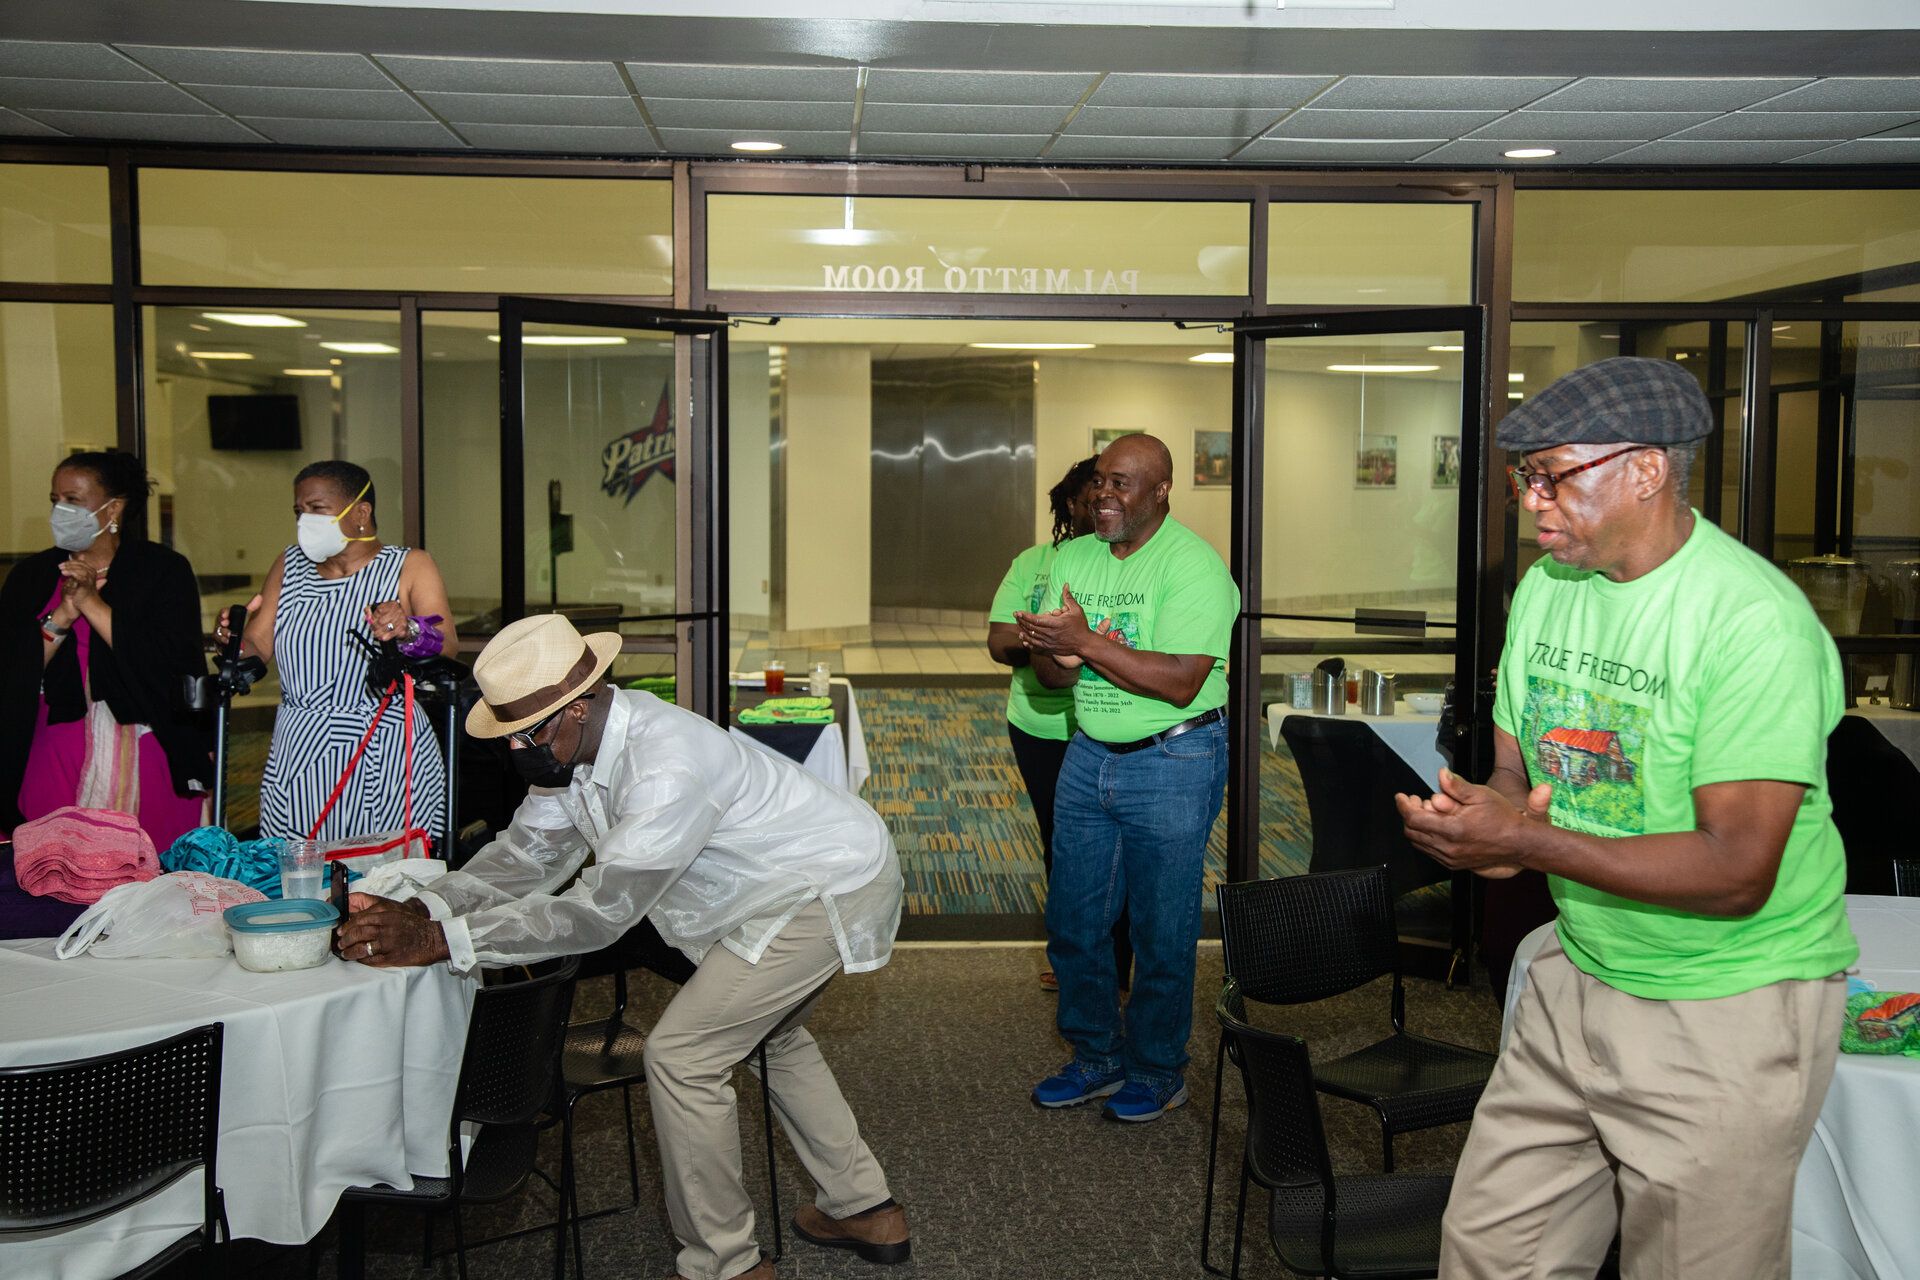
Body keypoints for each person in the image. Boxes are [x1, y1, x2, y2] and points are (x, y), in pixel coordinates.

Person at [1396, 357, 1857, 1280]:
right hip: (1581, 973)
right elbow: (1514, 778)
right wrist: (1481, 830)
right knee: (1491, 1253)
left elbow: (1736, 871)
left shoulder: (1751, 623)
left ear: (1646, 469)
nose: (1533, 502)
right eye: (1525, 479)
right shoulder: (1546, 591)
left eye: (1553, 475)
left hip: (1727, 1003)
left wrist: (1521, 839)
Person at [335, 613, 911, 1280]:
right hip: (777, 886)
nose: (521, 750)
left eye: (532, 731)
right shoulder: (572, 748)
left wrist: (444, 940)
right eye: (512, 734)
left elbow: (599, 913)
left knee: (683, 1056)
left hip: (830, 882)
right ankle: (864, 1206)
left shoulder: (665, 765)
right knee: (770, 1037)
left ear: (578, 704)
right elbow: (526, 856)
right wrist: (426, 905)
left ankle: (728, 1264)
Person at [1014, 432, 1238, 1123]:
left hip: (1174, 758)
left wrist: (1083, 641)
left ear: (1161, 490)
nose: (1104, 496)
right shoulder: (1073, 556)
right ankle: (1096, 1057)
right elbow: (1053, 676)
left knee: (1159, 929)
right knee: (1075, 921)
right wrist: (1051, 649)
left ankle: (1157, 1068)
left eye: (1123, 484)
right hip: (1089, 754)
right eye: (1100, 482)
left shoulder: (1193, 566)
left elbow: (1178, 682)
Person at [224, 460, 454, 841]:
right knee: (297, 870)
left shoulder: (409, 565)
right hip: (300, 744)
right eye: (299, 511)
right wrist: (233, 640)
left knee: (383, 876)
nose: (304, 521)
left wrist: (407, 629)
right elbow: (259, 641)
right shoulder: (289, 563)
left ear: (360, 512)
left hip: (383, 743)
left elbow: (446, 642)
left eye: (317, 509)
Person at [1, 450, 212, 851]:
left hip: (144, 740)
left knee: (146, 874)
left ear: (113, 507)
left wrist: (91, 603)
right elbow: (12, 670)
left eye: (73, 501)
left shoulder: (162, 570)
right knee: (52, 866)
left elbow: (169, 663)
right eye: (54, 500)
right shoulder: (32, 574)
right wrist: (63, 613)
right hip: (52, 744)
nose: (60, 510)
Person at [988, 455, 1131, 993]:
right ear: (1068, 503)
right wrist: (1050, 646)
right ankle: (1075, 956)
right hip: (1038, 726)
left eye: (1109, 488)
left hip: (1103, 727)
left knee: (1121, 848)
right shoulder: (1034, 563)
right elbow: (1000, 638)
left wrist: (1073, 645)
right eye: (1089, 490)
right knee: (1063, 846)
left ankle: (1119, 958)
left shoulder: (1129, 564)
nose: (1098, 499)